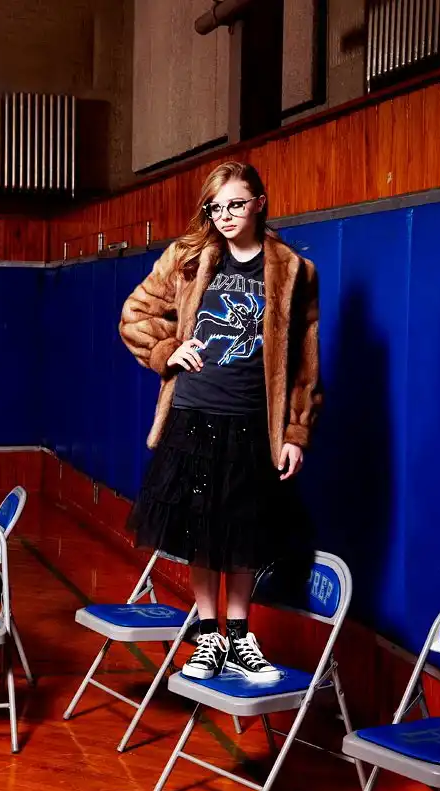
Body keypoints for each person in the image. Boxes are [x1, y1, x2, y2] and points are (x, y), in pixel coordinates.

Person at [119, 161, 321, 683]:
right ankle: (209, 635)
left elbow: (305, 364)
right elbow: (135, 315)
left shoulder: (294, 270)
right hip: (193, 414)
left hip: (253, 420)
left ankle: (240, 636)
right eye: (215, 207)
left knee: (243, 530)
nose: (225, 216)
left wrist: (296, 432)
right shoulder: (188, 258)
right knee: (201, 530)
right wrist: (168, 349)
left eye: (235, 204)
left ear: (259, 203)